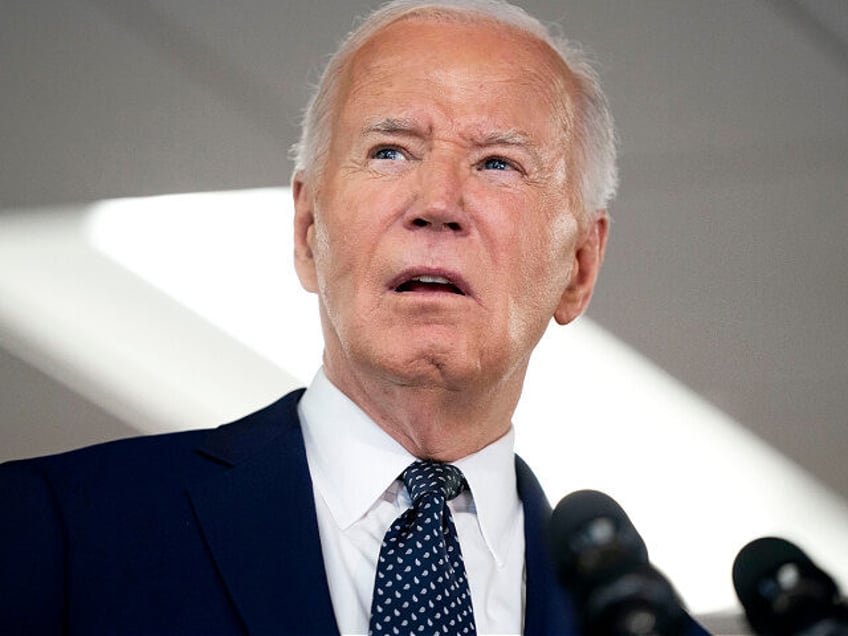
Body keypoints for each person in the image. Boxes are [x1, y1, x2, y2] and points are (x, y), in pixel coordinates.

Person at [0, 1, 707, 634]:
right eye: (390, 151)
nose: (438, 202)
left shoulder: (632, 623)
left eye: (498, 164)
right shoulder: (54, 530)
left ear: (580, 267)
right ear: (308, 228)